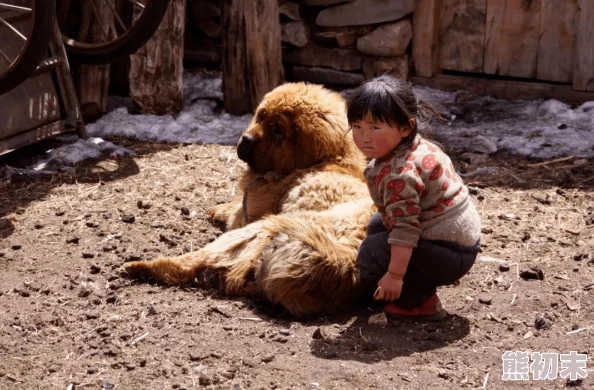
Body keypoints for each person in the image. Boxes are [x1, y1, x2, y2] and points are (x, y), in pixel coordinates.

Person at [347, 75, 481, 321]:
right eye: (357, 126)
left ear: (405, 127)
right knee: (377, 224)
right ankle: (400, 284)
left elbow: (405, 229)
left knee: (371, 254)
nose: (363, 137)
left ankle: (419, 302)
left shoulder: (400, 174)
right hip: (459, 240)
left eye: (374, 127)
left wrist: (395, 276)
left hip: (450, 252)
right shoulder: (416, 146)